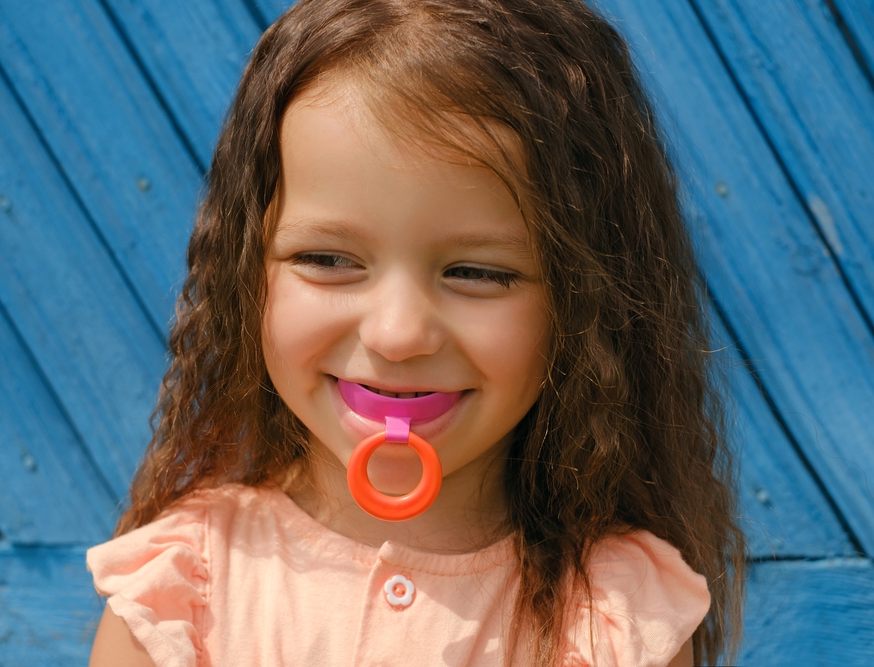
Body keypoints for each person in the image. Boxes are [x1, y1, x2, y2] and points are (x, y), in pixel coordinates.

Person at [86, 0, 744, 665]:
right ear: (248, 274)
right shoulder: (180, 590)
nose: (398, 334)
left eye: (477, 271)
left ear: (584, 302)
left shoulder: (616, 618)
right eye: (328, 260)